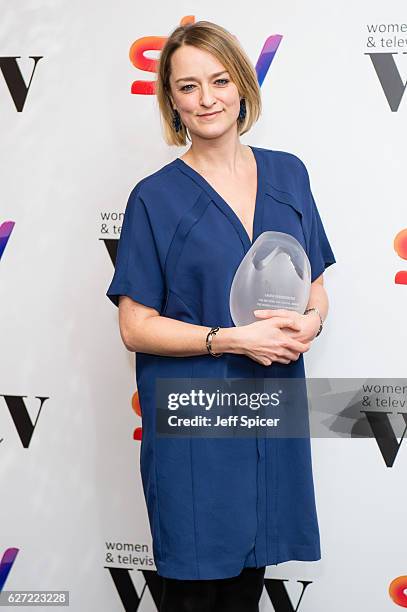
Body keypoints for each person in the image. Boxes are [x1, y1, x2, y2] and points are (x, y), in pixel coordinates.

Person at [106, 20, 336, 612]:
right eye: (187, 86)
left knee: (244, 592)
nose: (206, 99)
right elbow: (136, 326)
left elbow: (315, 287)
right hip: (194, 423)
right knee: (194, 591)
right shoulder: (154, 198)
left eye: (218, 80)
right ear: (172, 100)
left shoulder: (289, 174)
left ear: (242, 86)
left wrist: (311, 323)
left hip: (266, 412)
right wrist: (232, 339)